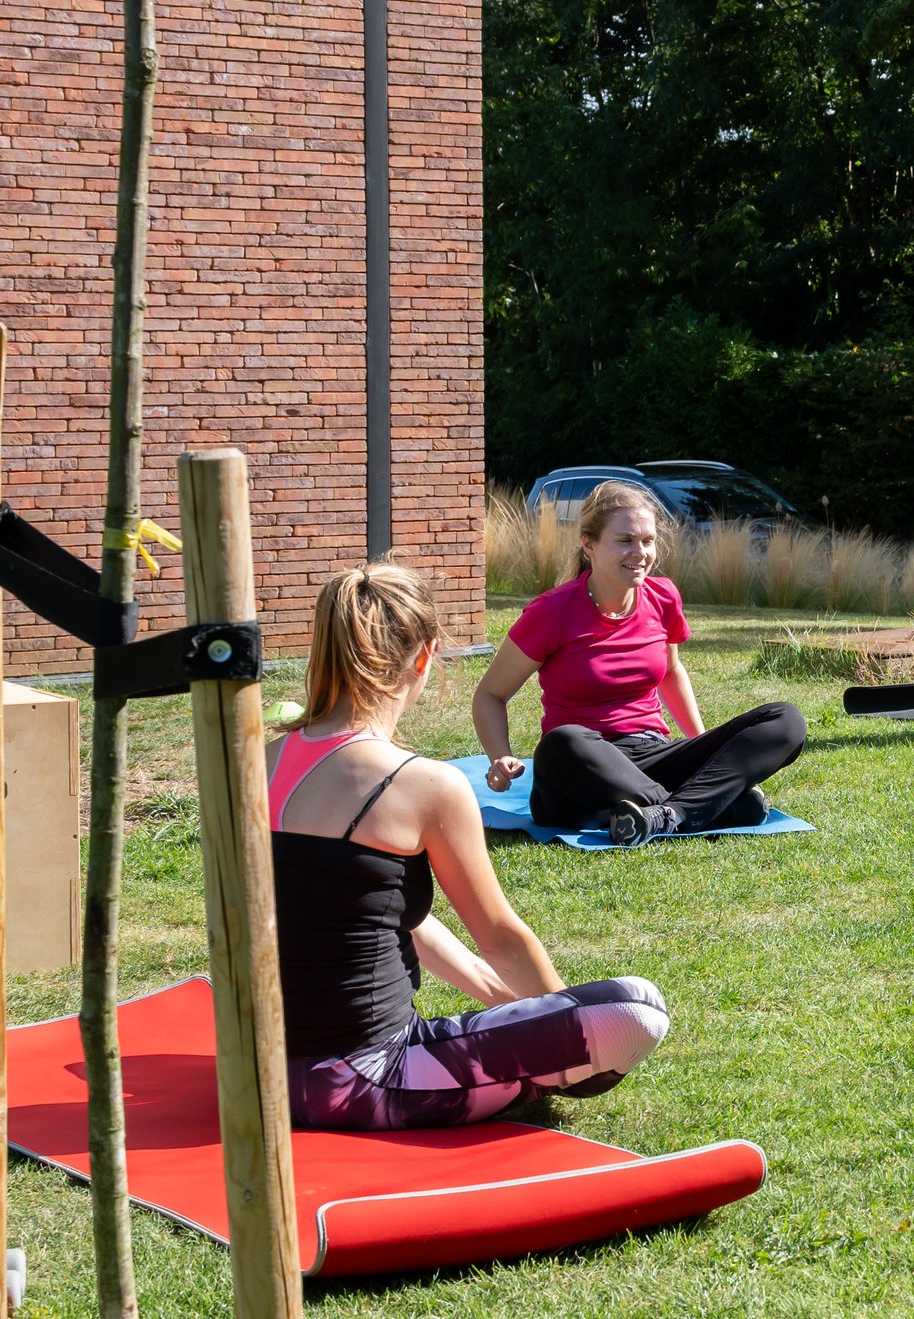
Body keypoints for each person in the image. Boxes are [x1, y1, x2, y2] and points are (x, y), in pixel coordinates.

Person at [270, 562, 669, 1130]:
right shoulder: (423, 784)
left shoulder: (253, 762)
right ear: (425, 656)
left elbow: (370, 909)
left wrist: (507, 1002)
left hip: (258, 1075)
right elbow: (500, 936)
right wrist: (559, 1025)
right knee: (635, 1009)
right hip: (365, 1082)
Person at [473, 480, 806, 845]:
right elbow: (490, 693)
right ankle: (707, 807)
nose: (640, 552)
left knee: (785, 719)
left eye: (648, 541)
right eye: (625, 540)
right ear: (589, 544)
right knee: (563, 740)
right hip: (581, 766)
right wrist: (499, 756)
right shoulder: (552, 612)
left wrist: (702, 746)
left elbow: (671, 672)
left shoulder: (662, 596)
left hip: (650, 752)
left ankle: (668, 814)